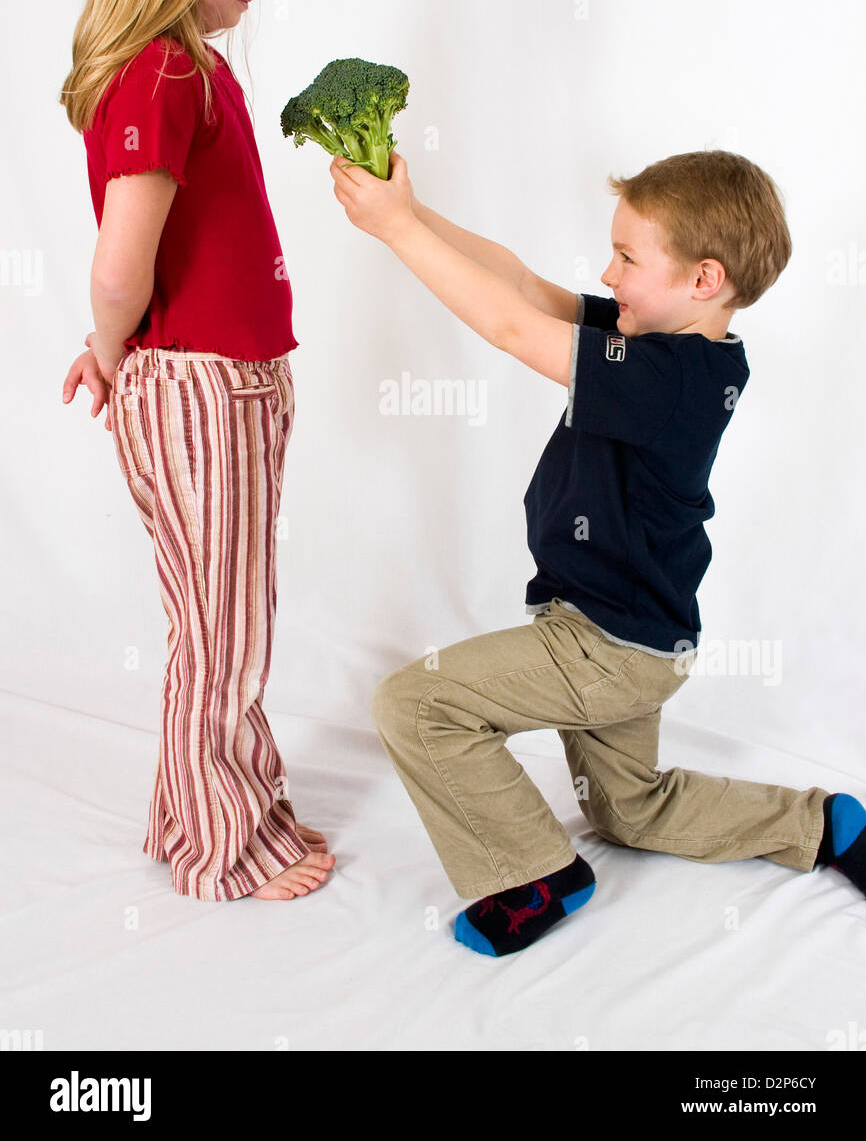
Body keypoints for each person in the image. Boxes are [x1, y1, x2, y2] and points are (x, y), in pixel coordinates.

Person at [331, 146, 866, 957]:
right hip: (635, 633)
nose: (608, 274)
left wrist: (399, 233)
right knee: (631, 809)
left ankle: (537, 874)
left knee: (416, 704)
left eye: (626, 257)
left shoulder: (671, 379)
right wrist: (411, 213)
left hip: (603, 645)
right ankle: (823, 826)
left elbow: (512, 328)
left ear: (704, 280)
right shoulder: (648, 338)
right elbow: (518, 284)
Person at [59, 0, 334, 903]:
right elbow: (123, 259)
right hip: (200, 387)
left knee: (223, 616)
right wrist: (107, 345)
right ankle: (223, 848)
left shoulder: (193, 70)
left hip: (234, 380)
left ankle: (201, 808)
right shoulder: (164, 76)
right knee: (222, 629)